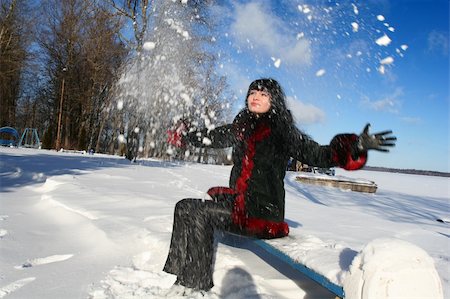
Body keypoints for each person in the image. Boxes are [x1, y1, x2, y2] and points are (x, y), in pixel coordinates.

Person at [163, 78, 396, 292]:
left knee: (196, 212)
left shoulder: (281, 131)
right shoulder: (242, 127)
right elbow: (212, 138)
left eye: (263, 94)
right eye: (252, 92)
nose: (255, 96)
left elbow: (318, 154)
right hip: (241, 204)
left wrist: (355, 146)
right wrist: (185, 137)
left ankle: (194, 286)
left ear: (273, 100)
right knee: (184, 207)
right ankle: (177, 273)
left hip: (262, 214)